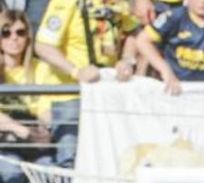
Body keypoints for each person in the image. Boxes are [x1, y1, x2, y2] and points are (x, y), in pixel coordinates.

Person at [33, 0, 139, 167]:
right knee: (70, 160)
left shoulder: (119, 3)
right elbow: (43, 46)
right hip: (71, 96)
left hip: (105, 94)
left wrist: (127, 59)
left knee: (108, 159)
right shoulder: (66, 2)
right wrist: (76, 71)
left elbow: (134, 31)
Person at [0, 9, 53, 183]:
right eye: (5, 32)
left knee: (46, 176)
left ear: (28, 37)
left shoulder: (41, 68)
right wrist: (17, 128)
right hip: (6, 142)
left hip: (35, 139)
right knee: (12, 172)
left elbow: (46, 108)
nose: (14, 38)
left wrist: (45, 130)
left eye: (20, 32)